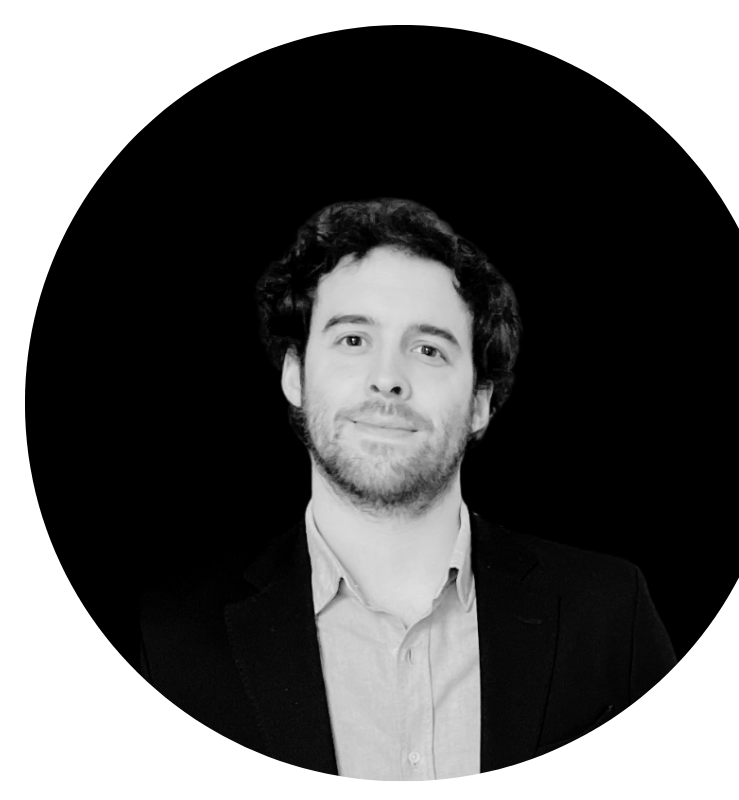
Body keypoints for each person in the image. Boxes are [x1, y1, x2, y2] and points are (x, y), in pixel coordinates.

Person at [139, 198, 676, 779]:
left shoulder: (609, 616)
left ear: (480, 403)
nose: (388, 379)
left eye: (428, 350)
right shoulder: (173, 641)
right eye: (353, 340)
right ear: (295, 374)